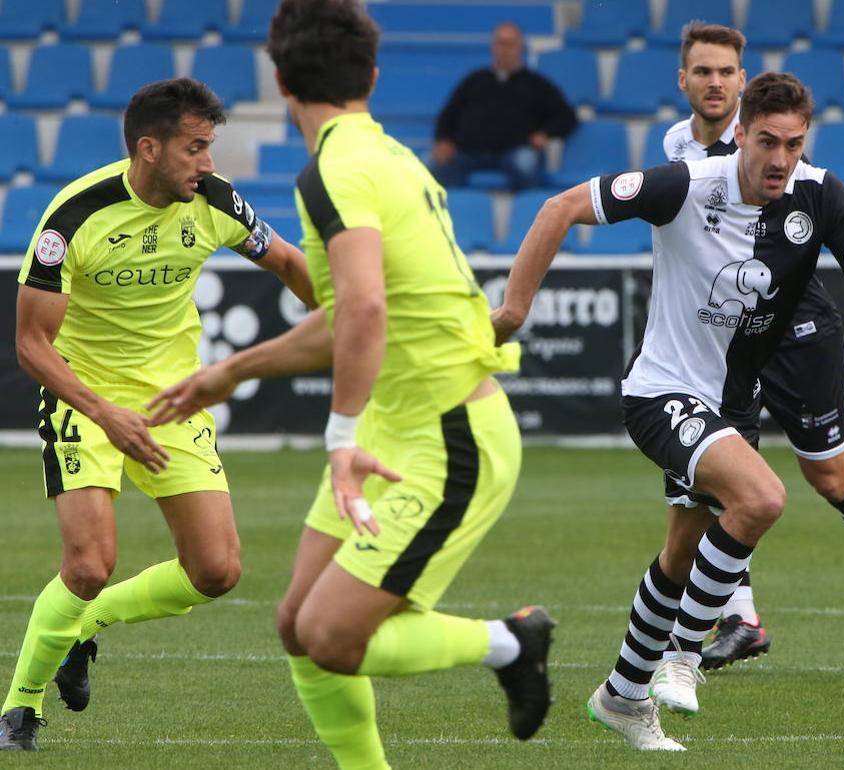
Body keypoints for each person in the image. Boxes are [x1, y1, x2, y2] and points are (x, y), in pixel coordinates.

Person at [147, 3, 555, 767]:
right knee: (296, 622)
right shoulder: (389, 155)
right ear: (371, 75)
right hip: (402, 427)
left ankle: (511, 642)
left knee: (332, 636)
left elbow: (362, 307)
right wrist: (230, 371)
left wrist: (338, 437)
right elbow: (350, 315)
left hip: (449, 437)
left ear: (279, 78)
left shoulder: (332, 169)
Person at [493, 72, 844, 751]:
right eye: (767, 142)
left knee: (682, 552)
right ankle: (682, 658)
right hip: (661, 393)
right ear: (741, 135)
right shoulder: (685, 185)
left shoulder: (821, 193)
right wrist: (514, 310)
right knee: (762, 498)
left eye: (794, 144)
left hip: (728, 403)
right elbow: (557, 209)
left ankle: (624, 697)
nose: (780, 159)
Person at [0, 78, 316, 752]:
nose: (207, 163)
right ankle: (19, 709)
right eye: (194, 148)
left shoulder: (214, 201)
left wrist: (355, 321)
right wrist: (103, 411)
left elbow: (289, 262)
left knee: (216, 571)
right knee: (88, 565)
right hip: (83, 395)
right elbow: (31, 343)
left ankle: (82, 630)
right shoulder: (75, 216)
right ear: (150, 148)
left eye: (210, 148)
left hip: (172, 399)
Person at [658, 21, 844, 679]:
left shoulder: (793, 167)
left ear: (742, 87)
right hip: (719, 343)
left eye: (726, 72)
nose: (714, 83)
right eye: (703, 71)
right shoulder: (674, 149)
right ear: (683, 80)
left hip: (797, 333)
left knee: (828, 476)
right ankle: (739, 618)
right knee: (715, 487)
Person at [430, 21, 578, 191]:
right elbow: (448, 114)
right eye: (500, 43)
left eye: (511, 44)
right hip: (468, 152)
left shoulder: (537, 84)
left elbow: (567, 117)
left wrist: (545, 134)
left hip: (516, 150)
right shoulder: (475, 80)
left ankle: (527, 214)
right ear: (493, 47)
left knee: (526, 164)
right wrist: (442, 140)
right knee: (429, 166)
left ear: (521, 47)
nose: (505, 49)